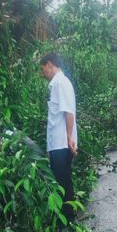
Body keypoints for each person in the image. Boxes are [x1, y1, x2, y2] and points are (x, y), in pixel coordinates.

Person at [40, 53, 78, 222]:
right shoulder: (58, 84)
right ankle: (66, 219)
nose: (43, 73)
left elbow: (68, 112)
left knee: (63, 184)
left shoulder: (60, 83)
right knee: (62, 182)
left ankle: (68, 221)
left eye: (43, 69)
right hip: (58, 144)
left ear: (50, 64)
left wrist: (69, 138)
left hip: (62, 144)